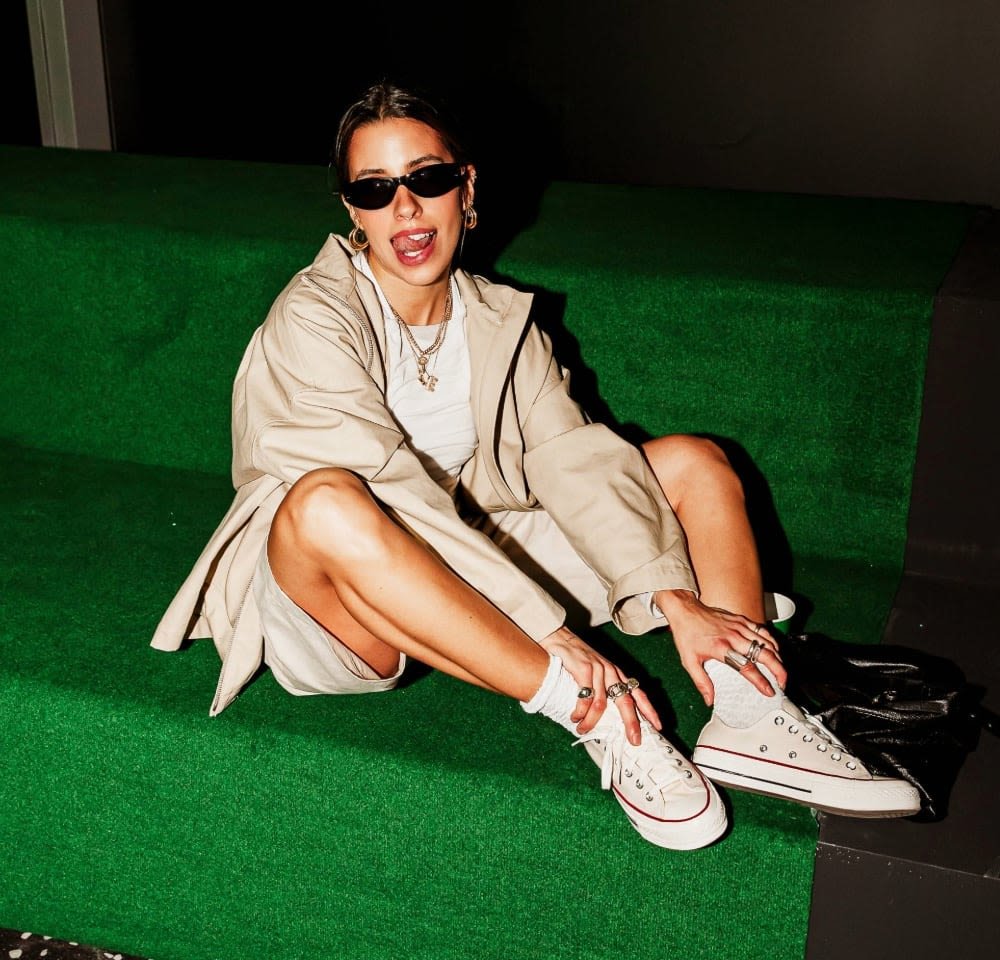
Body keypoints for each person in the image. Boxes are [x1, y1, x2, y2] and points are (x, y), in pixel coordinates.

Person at [151, 81, 920, 848]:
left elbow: (573, 456)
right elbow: (386, 486)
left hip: (463, 548)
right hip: (338, 599)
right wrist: (550, 631)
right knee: (327, 499)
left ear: (467, 184)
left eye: (428, 179)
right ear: (351, 209)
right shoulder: (313, 314)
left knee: (692, 463)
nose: (407, 211)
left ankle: (749, 704)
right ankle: (593, 714)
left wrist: (676, 602)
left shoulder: (498, 318)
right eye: (376, 190)